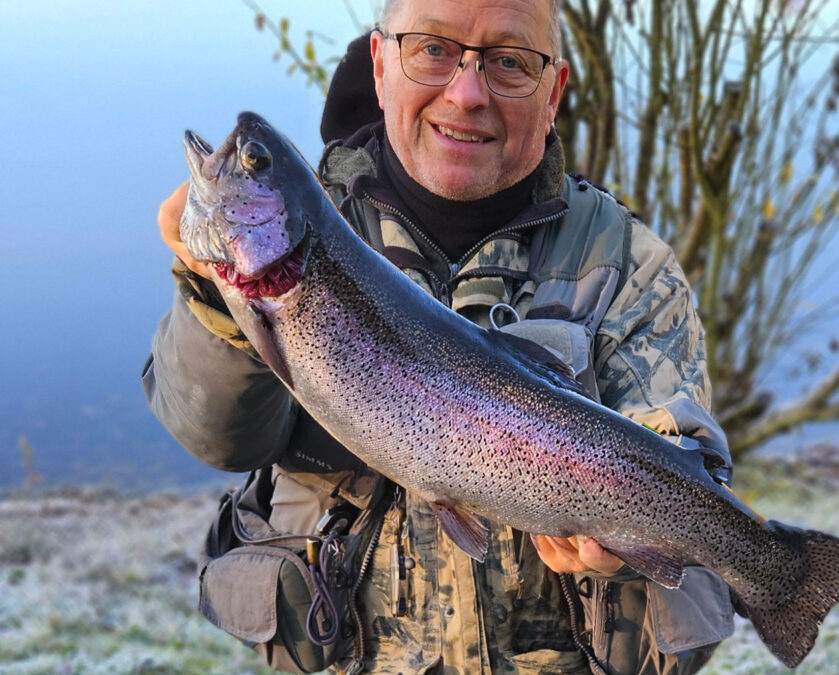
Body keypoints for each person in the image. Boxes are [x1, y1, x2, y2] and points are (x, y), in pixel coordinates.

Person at [144, 0, 736, 672]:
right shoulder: (311, 240)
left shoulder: (630, 263)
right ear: (379, 64)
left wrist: (629, 536)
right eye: (433, 49)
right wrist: (214, 298)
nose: (467, 93)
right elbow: (219, 437)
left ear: (553, 94)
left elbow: (680, 444)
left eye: (509, 61)